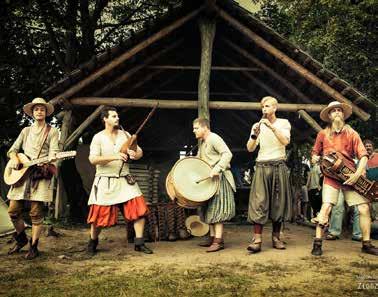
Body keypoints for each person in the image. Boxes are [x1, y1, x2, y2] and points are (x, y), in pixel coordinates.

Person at [310, 101, 378, 256]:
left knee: (364, 208)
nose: (337, 112)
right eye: (333, 111)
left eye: (339, 110)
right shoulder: (322, 134)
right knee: (326, 207)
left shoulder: (352, 133)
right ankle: (317, 243)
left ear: (343, 114)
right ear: (329, 116)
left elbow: (363, 156)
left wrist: (357, 174)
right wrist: (314, 158)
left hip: (350, 177)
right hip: (331, 177)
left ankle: (366, 244)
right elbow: (315, 152)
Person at [86, 106, 152, 255]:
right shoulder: (98, 137)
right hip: (105, 181)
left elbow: (139, 152)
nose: (117, 118)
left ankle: (139, 243)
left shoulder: (125, 134)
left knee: (139, 211)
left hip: (125, 179)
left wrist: (134, 153)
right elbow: (93, 159)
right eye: (113, 116)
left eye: (117, 116)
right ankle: (92, 243)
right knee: (98, 217)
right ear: (105, 119)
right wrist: (115, 156)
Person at [6, 98, 59, 259]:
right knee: (13, 211)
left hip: (39, 175)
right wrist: (15, 159)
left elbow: (55, 153)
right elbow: (12, 150)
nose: (39, 111)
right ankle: (21, 238)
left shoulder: (52, 131)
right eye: (36, 109)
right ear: (32, 112)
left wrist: (49, 160)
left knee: (36, 213)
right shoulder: (26, 131)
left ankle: (34, 246)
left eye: (42, 109)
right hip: (22, 175)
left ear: (46, 112)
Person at [246, 96, 292, 253]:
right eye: (262, 107)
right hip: (261, 166)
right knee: (259, 201)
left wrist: (271, 127)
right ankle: (257, 239)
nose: (264, 109)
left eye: (267, 106)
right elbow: (250, 148)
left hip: (278, 165)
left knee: (277, 203)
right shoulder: (257, 125)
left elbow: (285, 141)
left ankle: (276, 237)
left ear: (275, 108)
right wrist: (255, 134)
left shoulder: (283, 123)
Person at [193, 118, 236, 252]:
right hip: (210, 181)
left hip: (220, 179)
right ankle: (212, 238)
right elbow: (198, 160)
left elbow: (227, 154)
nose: (194, 130)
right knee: (210, 209)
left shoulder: (214, 138)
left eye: (196, 128)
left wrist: (217, 169)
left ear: (205, 128)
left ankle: (218, 241)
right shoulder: (203, 143)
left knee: (217, 210)